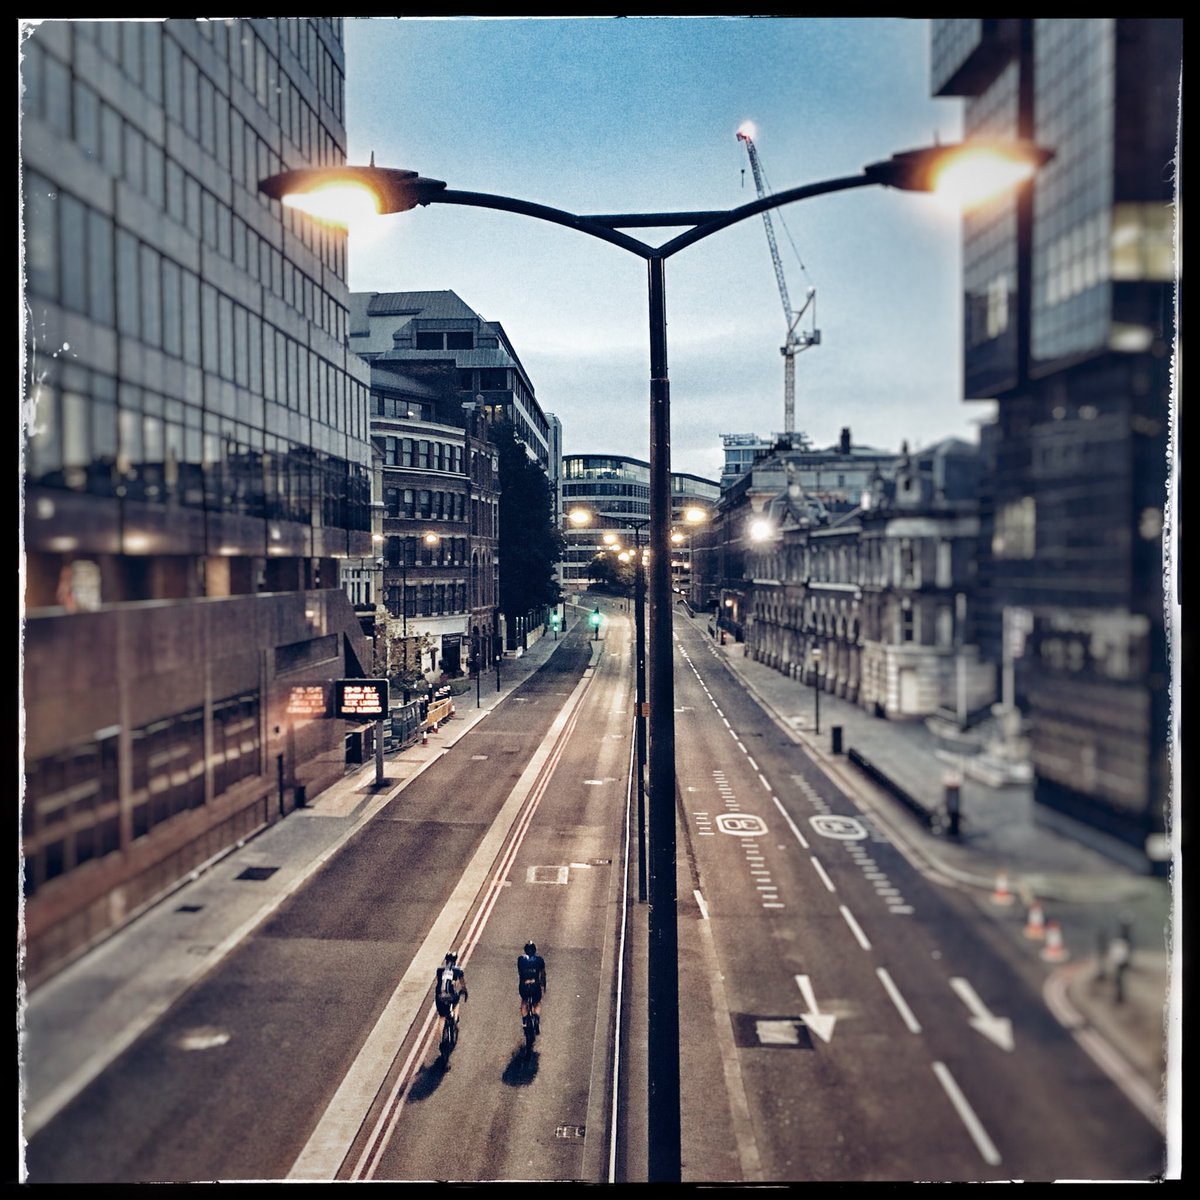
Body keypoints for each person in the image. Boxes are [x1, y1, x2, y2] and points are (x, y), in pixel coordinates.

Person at [516, 940, 547, 1035]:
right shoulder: (539, 960)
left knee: (524, 1001)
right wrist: (543, 986)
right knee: (537, 1002)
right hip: (535, 985)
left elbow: (520, 973)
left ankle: (525, 1020)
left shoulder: (520, 959)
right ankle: (536, 1017)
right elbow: (542, 974)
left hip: (524, 986)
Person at [434, 951, 467, 1032]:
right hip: (450, 996)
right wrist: (464, 991)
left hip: (439, 996)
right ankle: (455, 1021)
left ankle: (441, 1038)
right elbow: (463, 985)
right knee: (456, 1001)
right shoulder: (458, 970)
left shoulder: (439, 970)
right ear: (455, 960)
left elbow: (440, 982)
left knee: (442, 1016)